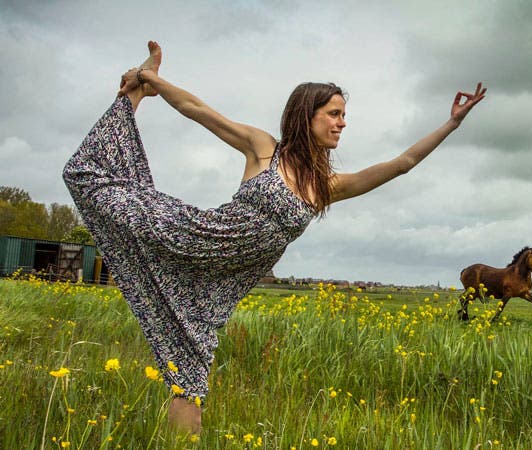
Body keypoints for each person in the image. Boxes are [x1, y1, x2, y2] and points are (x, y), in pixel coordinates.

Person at [62, 41, 486, 435]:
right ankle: (133, 92)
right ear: (307, 115)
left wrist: (451, 122)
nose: (343, 122)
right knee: (96, 184)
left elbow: (403, 163)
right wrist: (154, 82)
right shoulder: (264, 149)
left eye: (342, 114)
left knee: (189, 373)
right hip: (192, 234)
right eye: (334, 113)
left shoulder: (326, 185)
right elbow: (197, 109)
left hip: (218, 284)